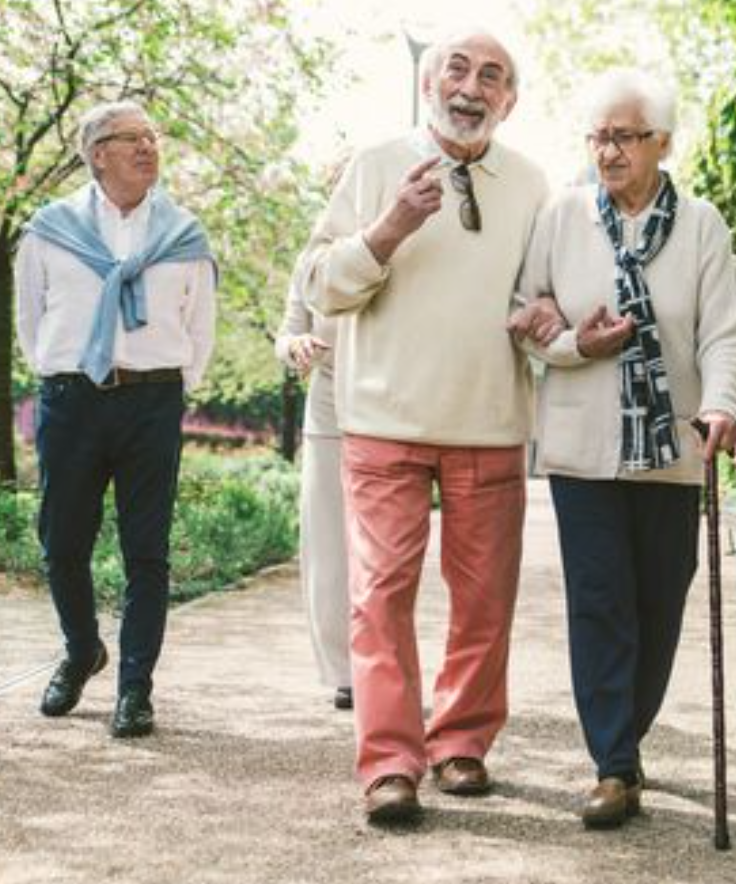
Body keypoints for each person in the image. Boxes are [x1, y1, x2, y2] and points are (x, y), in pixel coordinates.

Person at [295, 29, 548, 823]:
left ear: (511, 100)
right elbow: (318, 288)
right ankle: (390, 763)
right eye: (458, 70)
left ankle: (462, 743)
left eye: (493, 76)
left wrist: (547, 312)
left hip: (489, 421)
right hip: (383, 420)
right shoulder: (376, 165)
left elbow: (545, 291)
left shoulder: (536, 185)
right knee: (380, 596)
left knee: (483, 602)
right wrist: (388, 228)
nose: (473, 87)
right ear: (430, 83)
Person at [509, 69, 736, 828]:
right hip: (584, 448)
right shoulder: (563, 215)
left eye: (624, 137)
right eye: (598, 136)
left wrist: (720, 404)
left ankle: (628, 739)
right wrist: (581, 341)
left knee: (657, 603)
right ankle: (613, 763)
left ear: (662, 143)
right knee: (601, 603)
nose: (607, 151)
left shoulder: (703, 224)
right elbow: (526, 314)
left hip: (673, 447)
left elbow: (723, 333)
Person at [16, 101, 216, 738]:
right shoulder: (49, 231)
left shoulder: (183, 235)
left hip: (151, 404)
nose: (147, 147)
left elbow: (200, 330)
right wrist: (66, 375)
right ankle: (82, 651)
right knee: (62, 544)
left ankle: (135, 686)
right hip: (72, 401)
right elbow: (30, 320)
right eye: (132, 138)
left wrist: (165, 387)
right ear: (97, 153)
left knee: (146, 553)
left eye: (153, 137)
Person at [273, 264, 351, 711]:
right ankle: (346, 673)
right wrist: (296, 346)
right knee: (329, 549)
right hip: (328, 413)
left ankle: (387, 664)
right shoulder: (312, 262)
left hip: (394, 412)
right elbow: (286, 337)